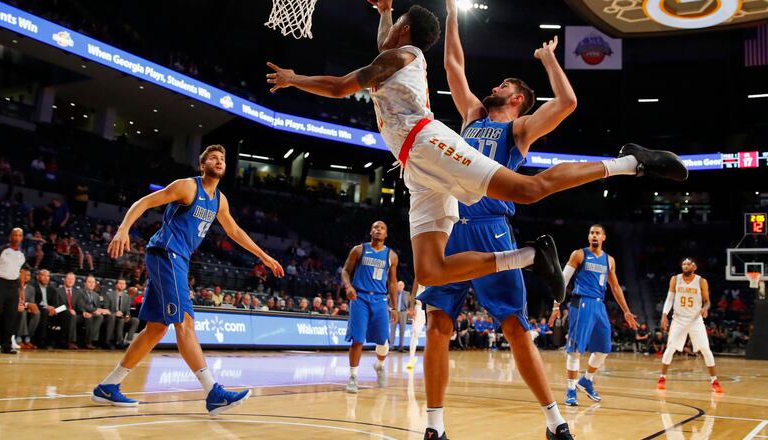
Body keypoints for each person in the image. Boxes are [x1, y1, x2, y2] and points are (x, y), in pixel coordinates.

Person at [265, 0, 687, 312]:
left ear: (405, 34)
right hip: (418, 165)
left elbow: (341, 87)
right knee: (429, 271)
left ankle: (631, 162)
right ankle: (529, 256)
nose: (389, 34)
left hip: (430, 144)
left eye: (396, 27)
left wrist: (293, 78)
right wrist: (386, 10)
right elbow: (429, 57)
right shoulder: (402, 61)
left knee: (529, 189)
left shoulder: (406, 58)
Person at [415, 0, 579, 436]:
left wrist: (548, 60)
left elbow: (566, 102)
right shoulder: (471, 115)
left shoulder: (519, 129)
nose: (496, 86)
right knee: (437, 325)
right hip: (450, 226)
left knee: (515, 328)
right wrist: (452, 14)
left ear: (518, 99)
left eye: (504, 85)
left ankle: (553, 419)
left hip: (491, 230)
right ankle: (434, 425)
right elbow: (453, 65)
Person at [91, 144, 283, 415]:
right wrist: (124, 229)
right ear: (202, 166)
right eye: (213, 158)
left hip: (177, 258)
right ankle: (212, 392)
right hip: (166, 253)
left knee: (156, 329)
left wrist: (263, 256)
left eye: (222, 159)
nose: (219, 161)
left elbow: (235, 231)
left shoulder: (220, 200)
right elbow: (145, 202)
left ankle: (109, 387)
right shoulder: (187, 187)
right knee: (185, 321)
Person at [549, 225, 638, 407]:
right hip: (582, 302)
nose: (594, 235)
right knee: (575, 350)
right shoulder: (579, 254)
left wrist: (626, 310)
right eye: (591, 233)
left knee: (603, 349)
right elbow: (563, 279)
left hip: (599, 304)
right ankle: (571, 389)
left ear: (604, 237)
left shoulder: (609, 260)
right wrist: (556, 305)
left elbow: (615, 287)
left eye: (597, 233)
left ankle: (586, 380)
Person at [342, 221, 398, 393]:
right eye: (375, 227)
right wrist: (348, 286)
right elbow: (345, 271)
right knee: (357, 339)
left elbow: (393, 282)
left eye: (382, 228)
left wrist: (395, 307)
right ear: (370, 231)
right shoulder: (359, 250)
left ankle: (379, 365)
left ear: (386, 234)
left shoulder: (392, 256)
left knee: (383, 340)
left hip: (380, 299)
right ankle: (353, 377)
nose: (378, 230)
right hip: (360, 297)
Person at [657, 259, 723, 393]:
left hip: (695, 320)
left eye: (688, 264)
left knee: (705, 349)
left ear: (695, 267)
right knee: (670, 348)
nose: (685, 266)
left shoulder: (701, 281)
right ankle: (662, 378)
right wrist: (664, 315)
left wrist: (705, 308)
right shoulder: (675, 279)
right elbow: (669, 299)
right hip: (678, 319)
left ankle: (714, 380)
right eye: (683, 264)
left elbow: (707, 301)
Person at [389, 281, 410, 351]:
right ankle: (391, 346)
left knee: (402, 331)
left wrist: (409, 310)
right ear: (397, 286)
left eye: (401, 285)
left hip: (403, 313)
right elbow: (385, 300)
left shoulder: (407, 294)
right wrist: (389, 308)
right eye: (399, 285)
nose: (400, 286)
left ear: (403, 286)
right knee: (392, 330)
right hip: (394, 313)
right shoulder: (393, 293)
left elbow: (410, 303)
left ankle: (401, 347)